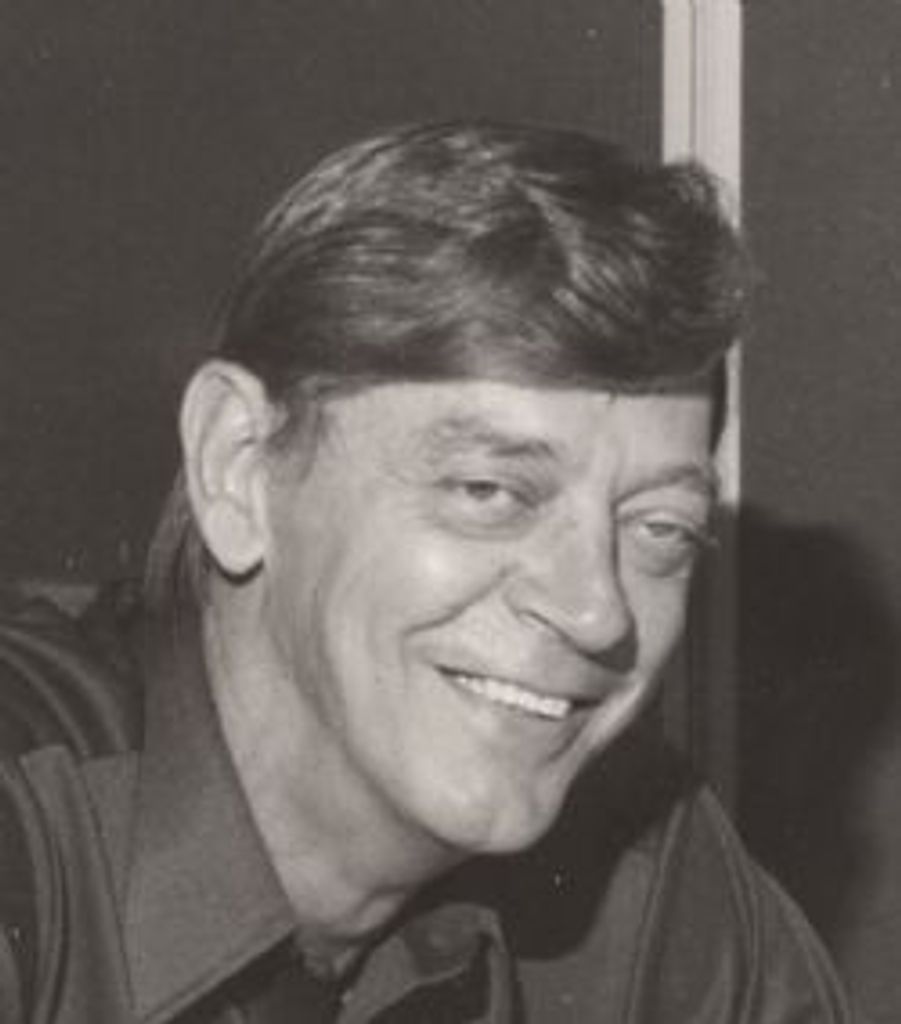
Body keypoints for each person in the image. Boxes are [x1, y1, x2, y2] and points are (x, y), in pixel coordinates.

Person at [0, 121, 857, 1022]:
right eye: (489, 491)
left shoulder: (647, 882)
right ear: (239, 466)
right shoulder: (29, 826)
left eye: (659, 529)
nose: (595, 610)